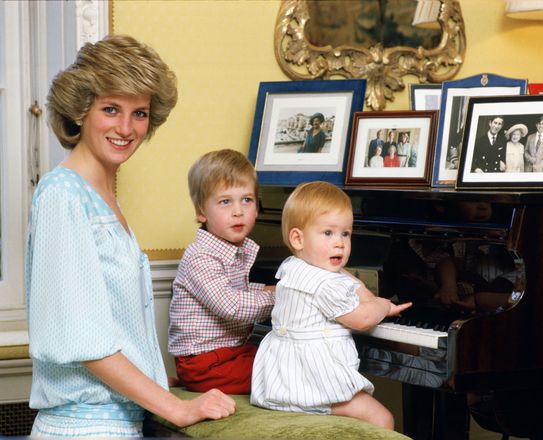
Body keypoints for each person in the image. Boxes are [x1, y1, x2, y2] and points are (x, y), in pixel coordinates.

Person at [26, 35, 235, 437]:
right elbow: (83, 340)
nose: (126, 128)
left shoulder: (102, 198)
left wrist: (158, 382)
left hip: (118, 425)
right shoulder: (62, 193)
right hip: (83, 429)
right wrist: (175, 408)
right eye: (110, 109)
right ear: (80, 112)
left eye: (139, 113)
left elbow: (114, 326)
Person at [250, 181, 412, 429]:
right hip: (314, 383)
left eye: (345, 233)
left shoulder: (294, 266)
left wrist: (366, 295)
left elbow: (345, 277)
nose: (340, 243)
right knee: (382, 418)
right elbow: (362, 320)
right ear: (298, 238)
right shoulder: (325, 285)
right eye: (328, 233)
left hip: (284, 380)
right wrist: (382, 306)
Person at [168, 149, 276, 395]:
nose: (238, 211)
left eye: (246, 200)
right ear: (201, 212)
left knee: (284, 352)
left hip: (228, 353)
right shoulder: (200, 257)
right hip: (204, 363)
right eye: (225, 201)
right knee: (284, 368)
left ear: (257, 207)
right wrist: (282, 295)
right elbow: (233, 306)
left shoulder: (232, 249)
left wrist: (269, 289)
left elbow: (238, 290)